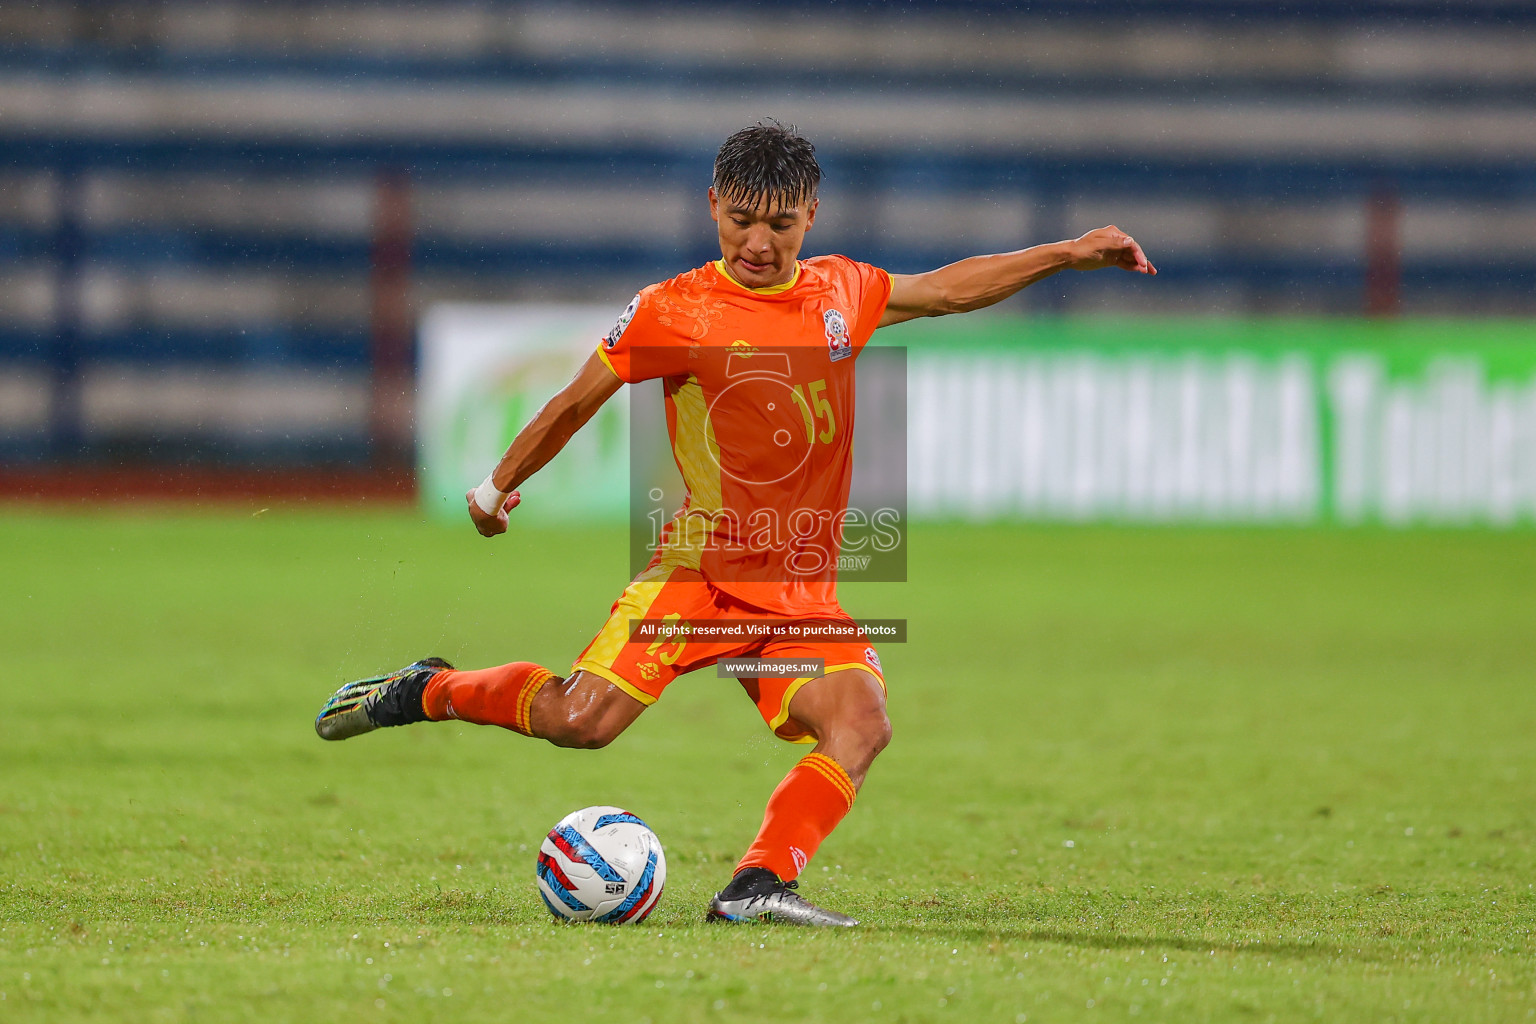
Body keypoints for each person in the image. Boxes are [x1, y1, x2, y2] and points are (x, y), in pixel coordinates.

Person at [315, 120, 1155, 927]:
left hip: (795, 599)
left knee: (861, 724)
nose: (759, 243)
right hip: (700, 580)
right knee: (580, 723)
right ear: (713, 205)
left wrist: (1069, 252)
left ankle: (757, 882)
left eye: (781, 225)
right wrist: (495, 487)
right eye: (743, 221)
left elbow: (945, 289)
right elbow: (575, 405)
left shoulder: (842, 291)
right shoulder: (674, 310)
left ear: (810, 218)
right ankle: (426, 689)